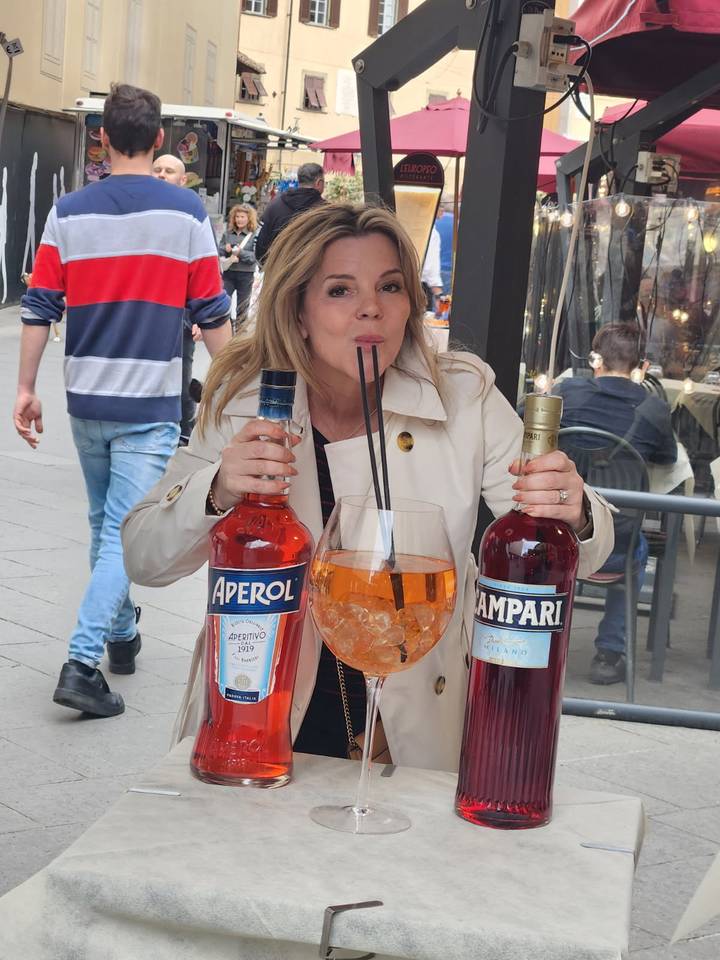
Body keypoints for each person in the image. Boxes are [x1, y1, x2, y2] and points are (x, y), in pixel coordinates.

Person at [121, 202, 613, 773]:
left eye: (389, 286)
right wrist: (217, 489)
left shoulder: (462, 396)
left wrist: (571, 511)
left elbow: (585, 552)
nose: (371, 309)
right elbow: (143, 556)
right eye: (339, 290)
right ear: (298, 309)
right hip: (260, 719)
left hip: (412, 726)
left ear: (411, 304)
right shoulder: (245, 401)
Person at [14, 83, 232, 719]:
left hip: (86, 399)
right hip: (149, 402)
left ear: (100, 139)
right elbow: (212, 314)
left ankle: (121, 636)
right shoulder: (186, 213)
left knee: (102, 526)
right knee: (117, 533)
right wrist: (246, 377)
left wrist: (25, 388)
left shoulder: (68, 212)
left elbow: (38, 306)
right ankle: (81, 663)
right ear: (161, 140)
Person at [554, 322, 677, 684]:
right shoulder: (653, 409)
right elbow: (667, 460)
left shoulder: (567, 392)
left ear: (595, 359)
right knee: (634, 540)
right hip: (617, 551)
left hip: (561, 539)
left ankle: (544, 641)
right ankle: (609, 654)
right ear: (642, 366)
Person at [152, 153, 203, 444]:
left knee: (182, 379)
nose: (161, 174)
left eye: (168, 171)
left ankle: (184, 435)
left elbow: (203, 274)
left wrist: (200, 317)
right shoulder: (138, 212)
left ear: (182, 180)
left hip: (181, 315)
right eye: (156, 169)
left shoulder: (192, 217)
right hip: (145, 315)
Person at [254, 162, 325, 266]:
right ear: (319, 183)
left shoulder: (275, 205)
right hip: (312, 273)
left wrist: (268, 268)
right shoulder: (326, 211)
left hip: (279, 272)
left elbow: (260, 245)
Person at [218, 204, 258, 333]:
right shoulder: (228, 233)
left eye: (242, 217)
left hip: (246, 274)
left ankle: (240, 332)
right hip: (229, 273)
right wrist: (226, 249)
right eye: (237, 217)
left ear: (248, 218)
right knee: (224, 302)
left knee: (242, 305)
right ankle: (227, 329)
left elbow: (255, 257)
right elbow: (218, 250)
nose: (239, 219)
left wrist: (240, 252)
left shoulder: (253, 235)